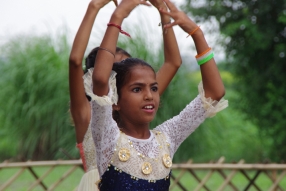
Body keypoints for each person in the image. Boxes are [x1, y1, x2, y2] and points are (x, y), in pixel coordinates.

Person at [84, 0, 229, 190]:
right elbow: (101, 80)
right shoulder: (108, 137)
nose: (149, 95)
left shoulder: (167, 137)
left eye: (153, 88)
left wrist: (197, 33)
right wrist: (117, 17)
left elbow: (215, 93)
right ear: (115, 101)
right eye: (137, 89)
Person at [69, 0, 181, 189]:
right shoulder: (86, 114)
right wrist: (94, 6)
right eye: (113, 70)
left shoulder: (138, 100)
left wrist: (164, 13)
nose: (117, 75)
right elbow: (74, 61)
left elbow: (173, 63)